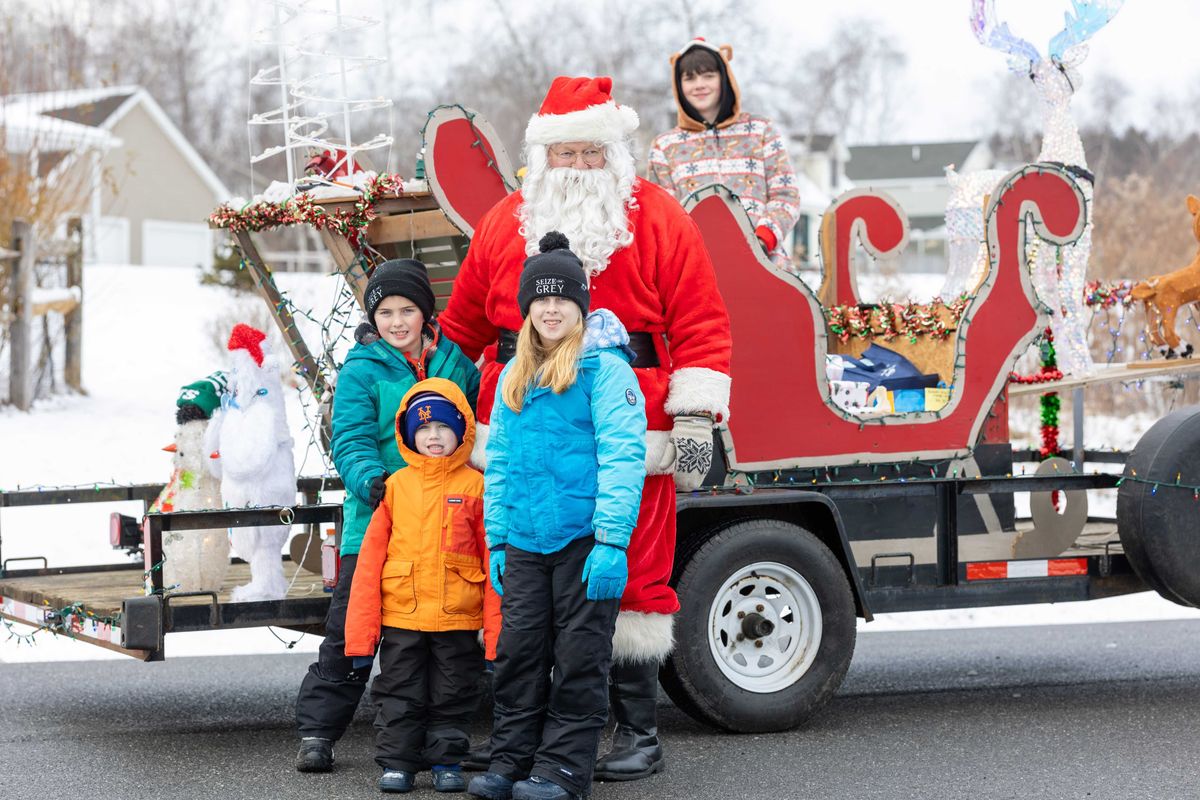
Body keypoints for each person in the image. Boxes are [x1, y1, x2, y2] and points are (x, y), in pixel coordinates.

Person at [439, 75, 732, 783]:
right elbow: (462, 329)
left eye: (589, 154)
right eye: (564, 154)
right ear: (542, 158)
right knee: (529, 583)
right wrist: (427, 398)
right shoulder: (503, 224)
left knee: (629, 571)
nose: (576, 167)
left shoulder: (660, 220)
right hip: (525, 428)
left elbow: (701, 324)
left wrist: (695, 424)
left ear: (613, 155)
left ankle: (637, 731)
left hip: (630, 424)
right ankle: (527, 737)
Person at [468, 233, 646, 800]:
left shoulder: (606, 372)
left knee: (578, 657)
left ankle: (565, 770)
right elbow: (498, 465)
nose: (550, 309)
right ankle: (511, 763)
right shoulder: (514, 376)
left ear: (580, 306)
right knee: (518, 655)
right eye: (540, 300)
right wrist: (497, 540)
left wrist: (612, 541)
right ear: (526, 309)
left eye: (562, 300)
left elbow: (623, 458)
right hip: (523, 542)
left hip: (583, 542)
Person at [294, 259, 481, 773]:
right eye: (385, 312)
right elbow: (350, 438)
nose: (397, 322)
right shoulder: (362, 368)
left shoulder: (456, 364)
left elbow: (476, 430)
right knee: (352, 628)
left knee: (439, 638)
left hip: (445, 522)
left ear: (426, 313)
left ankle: (432, 741)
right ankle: (319, 730)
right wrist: (371, 481)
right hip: (381, 519)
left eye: (407, 310)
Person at [344, 378, 486, 793]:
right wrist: (359, 640)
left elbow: (496, 562)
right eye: (423, 429)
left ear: (462, 430)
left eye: (443, 427)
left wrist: (496, 638)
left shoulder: (476, 487)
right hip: (402, 616)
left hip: (457, 616)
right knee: (399, 693)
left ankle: (447, 760)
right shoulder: (395, 488)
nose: (434, 436)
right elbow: (368, 567)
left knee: (454, 693)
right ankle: (398, 762)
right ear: (408, 435)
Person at [648, 38, 801, 271]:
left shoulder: (760, 131)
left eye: (708, 75)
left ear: (724, 77)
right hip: (697, 272)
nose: (699, 84)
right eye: (689, 78)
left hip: (765, 264)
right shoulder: (665, 146)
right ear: (679, 85)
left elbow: (786, 194)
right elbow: (663, 216)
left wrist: (762, 239)